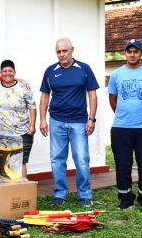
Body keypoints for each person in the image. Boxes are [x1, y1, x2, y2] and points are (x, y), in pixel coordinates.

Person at [39, 38, 99, 207]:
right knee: (57, 159)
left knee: (81, 159)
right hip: (56, 121)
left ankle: (85, 194)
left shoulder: (84, 69)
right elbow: (45, 96)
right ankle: (59, 194)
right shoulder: (50, 71)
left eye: (64, 51)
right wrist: (43, 120)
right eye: (58, 51)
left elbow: (92, 95)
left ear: (72, 50)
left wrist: (92, 119)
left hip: (79, 122)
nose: (61, 54)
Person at [108, 39, 142, 211]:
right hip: (121, 127)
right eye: (129, 51)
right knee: (123, 164)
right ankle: (125, 198)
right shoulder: (116, 74)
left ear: (141, 53)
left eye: (135, 51)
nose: (132, 54)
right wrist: (125, 114)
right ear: (125, 53)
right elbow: (113, 99)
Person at [0, 60, 36, 178]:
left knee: (21, 161)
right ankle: (4, 193)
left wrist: (32, 125)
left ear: (14, 72)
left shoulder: (24, 87)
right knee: (0, 161)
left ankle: (23, 191)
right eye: (4, 71)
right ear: (0, 72)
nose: (7, 73)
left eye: (10, 71)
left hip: (21, 132)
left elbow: (32, 106)